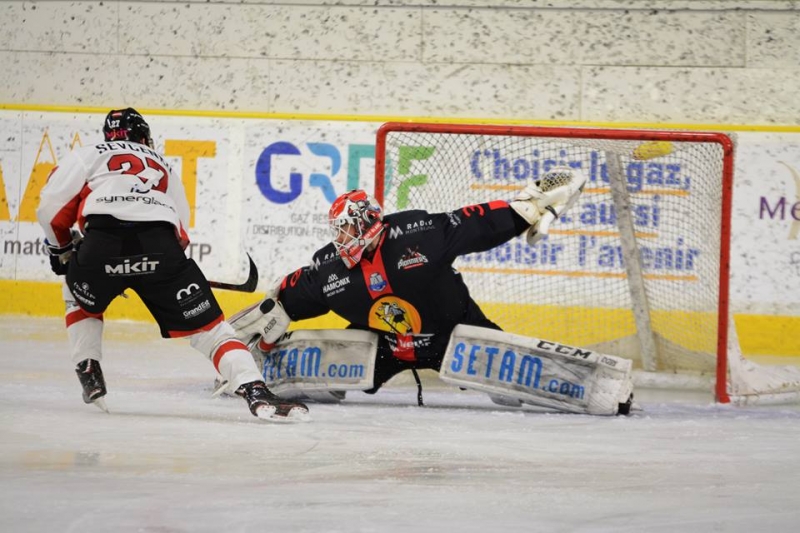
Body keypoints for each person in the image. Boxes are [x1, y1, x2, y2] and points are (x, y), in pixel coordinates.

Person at [230, 168, 635, 415]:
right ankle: (249, 377)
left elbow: (473, 224)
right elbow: (295, 293)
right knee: (320, 378)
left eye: (349, 228)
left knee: (510, 394)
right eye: (338, 231)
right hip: (384, 345)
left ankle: (606, 390)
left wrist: (527, 206)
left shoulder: (417, 233)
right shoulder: (330, 268)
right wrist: (275, 310)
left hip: (454, 333)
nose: (343, 238)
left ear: (370, 221)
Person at [36, 108, 309, 422]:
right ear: (142, 136)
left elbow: (50, 209)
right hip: (161, 249)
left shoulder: (87, 154)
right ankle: (255, 390)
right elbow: (180, 232)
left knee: (78, 294)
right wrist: (152, 268)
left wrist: (63, 249)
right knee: (212, 331)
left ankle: (88, 368)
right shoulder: (160, 162)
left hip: (101, 246)